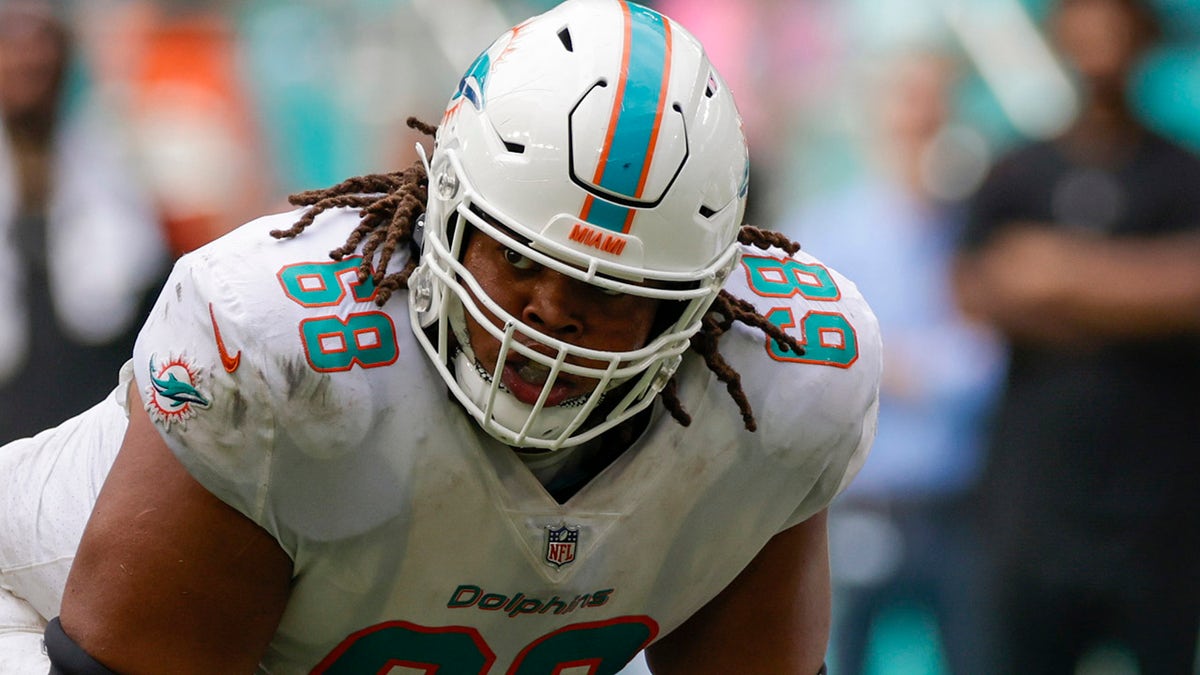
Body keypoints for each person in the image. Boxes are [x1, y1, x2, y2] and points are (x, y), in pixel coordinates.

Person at [0, 1, 882, 673]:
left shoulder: (785, 386)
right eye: (519, 260)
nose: (550, 312)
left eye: (608, 288)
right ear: (442, 215)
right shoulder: (288, 355)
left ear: (693, 300)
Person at [953, 0, 1200, 672]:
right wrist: (1142, 294)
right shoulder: (1015, 171)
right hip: (1035, 509)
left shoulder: (1184, 172)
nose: (1100, 41)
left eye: (1118, 22)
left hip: (1164, 512)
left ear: (1148, 39)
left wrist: (1059, 273)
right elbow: (975, 292)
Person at [787, 49, 1004, 674]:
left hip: (954, 507)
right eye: (910, 99)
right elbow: (810, 362)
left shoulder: (969, 230)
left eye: (935, 101)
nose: (923, 118)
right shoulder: (823, 231)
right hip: (855, 505)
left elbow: (985, 361)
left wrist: (892, 363)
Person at [0, 0, 169, 444]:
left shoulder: (111, 172)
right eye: (11, 45)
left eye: (40, 45)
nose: (27, 60)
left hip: (88, 420)